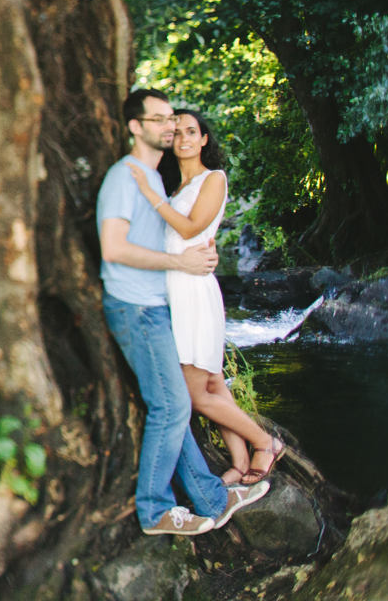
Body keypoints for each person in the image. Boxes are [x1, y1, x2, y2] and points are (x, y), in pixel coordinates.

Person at [96, 89, 270, 536]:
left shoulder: (157, 181)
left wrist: (195, 256)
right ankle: (156, 511)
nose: (170, 128)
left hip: (167, 302)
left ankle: (213, 496)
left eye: (174, 120)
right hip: (140, 306)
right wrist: (183, 260)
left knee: (180, 403)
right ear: (135, 127)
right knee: (177, 404)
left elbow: (182, 232)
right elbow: (117, 247)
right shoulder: (129, 176)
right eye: (160, 120)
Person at [128, 109, 286, 486]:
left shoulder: (212, 179)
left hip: (193, 293)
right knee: (214, 386)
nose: (183, 137)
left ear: (203, 139)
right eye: (176, 132)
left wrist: (150, 195)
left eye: (191, 131)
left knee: (196, 395)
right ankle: (239, 461)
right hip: (175, 290)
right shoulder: (177, 189)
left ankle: (267, 443)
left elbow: (191, 227)